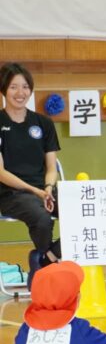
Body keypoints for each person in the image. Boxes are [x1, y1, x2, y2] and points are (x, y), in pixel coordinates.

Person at [0, 62, 61, 286]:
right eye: (14, 87)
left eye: (25, 87)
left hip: (43, 189)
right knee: (42, 218)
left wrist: (47, 189)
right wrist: (36, 192)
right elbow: (1, 173)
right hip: (11, 193)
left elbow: (52, 167)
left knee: (82, 211)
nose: (20, 93)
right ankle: (49, 263)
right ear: (4, 90)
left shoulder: (43, 123)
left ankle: (44, 258)